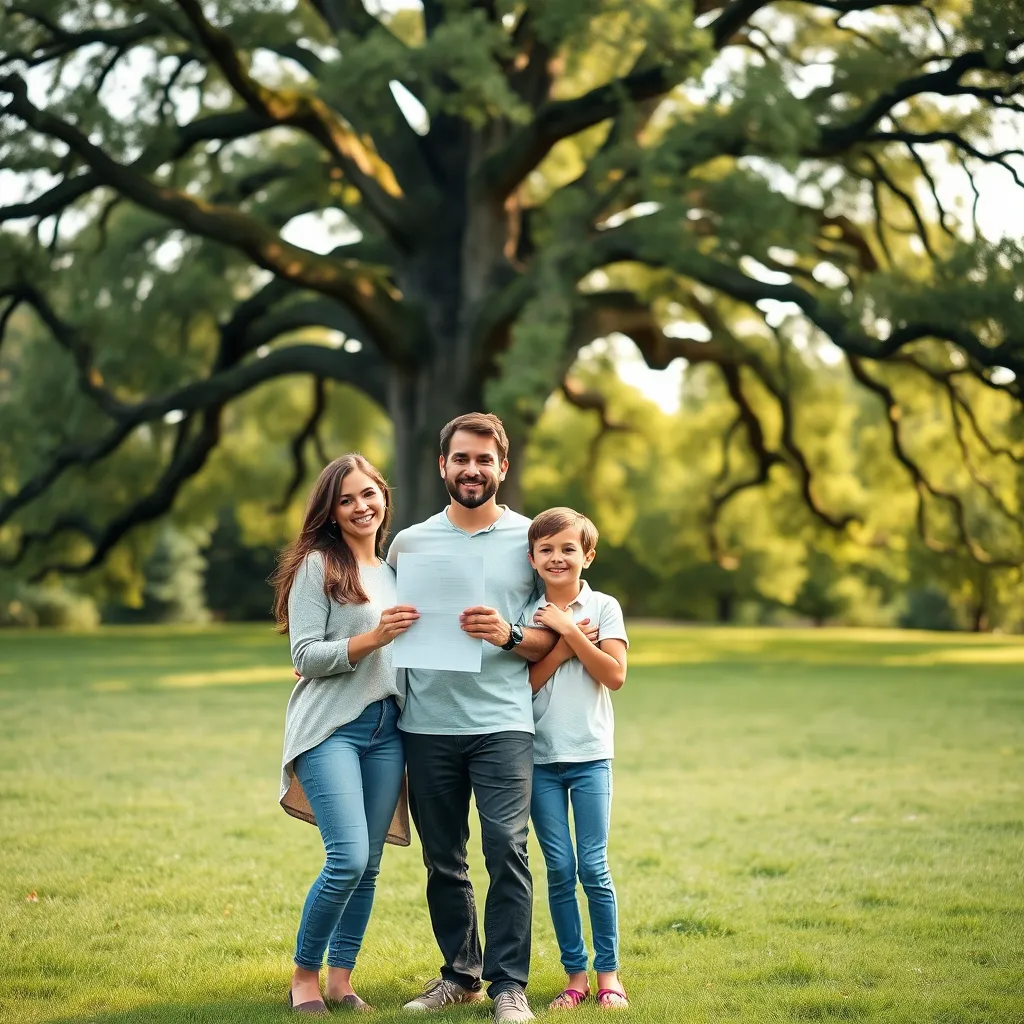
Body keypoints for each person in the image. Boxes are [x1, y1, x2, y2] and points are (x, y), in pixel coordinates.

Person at [388, 413, 592, 1024]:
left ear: (503, 467)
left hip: (504, 722)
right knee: (442, 858)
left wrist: (506, 634)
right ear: (442, 466)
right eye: (461, 459)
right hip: (425, 724)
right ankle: (460, 974)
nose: (471, 470)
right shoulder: (410, 543)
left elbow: (550, 636)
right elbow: (381, 622)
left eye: (484, 460)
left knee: (507, 848)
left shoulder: (532, 540)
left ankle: (510, 986)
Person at [271, 453, 419, 1014]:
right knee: (349, 857)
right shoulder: (318, 565)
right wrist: (372, 639)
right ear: (331, 512)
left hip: (389, 729)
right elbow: (305, 656)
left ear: (384, 497)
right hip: (331, 728)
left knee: (371, 864)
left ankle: (341, 979)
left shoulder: (395, 573)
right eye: (347, 499)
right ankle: (303, 977)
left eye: (369, 494)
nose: (361, 507)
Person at [525, 507, 630, 1011]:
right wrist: (565, 645)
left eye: (568, 548)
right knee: (560, 869)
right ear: (532, 558)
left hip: (590, 756)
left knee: (594, 866)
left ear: (587, 555)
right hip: (539, 761)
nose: (558, 557)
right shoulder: (525, 612)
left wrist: (568, 629)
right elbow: (518, 689)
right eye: (546, 549)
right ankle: (575, 976)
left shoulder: (604, 606)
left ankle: (608, 974)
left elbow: (614, 674)